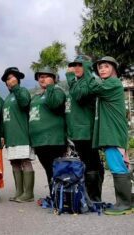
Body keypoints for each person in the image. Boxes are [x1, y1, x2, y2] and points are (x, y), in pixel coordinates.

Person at [85, 56, 131, 215]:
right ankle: (127, 200)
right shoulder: (107, 84)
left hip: (113, 132)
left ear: (114, 69)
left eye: (105, 66)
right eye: (99, 67)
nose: (101, 69)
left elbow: (92, 87)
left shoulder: (113, 83)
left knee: (117, 166)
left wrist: (87, 70)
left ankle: (125, 204)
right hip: (111, 132)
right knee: (119, 165)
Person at [65, 55, 104, 202]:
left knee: (92, 163)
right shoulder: (76, 83)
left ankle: (94, 197)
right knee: (86, 163)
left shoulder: (90, 81)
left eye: (80, 65)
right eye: (74, 65)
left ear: (87, 66)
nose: (76, 68)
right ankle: (86, 195)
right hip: (76, 133)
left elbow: (79, 95)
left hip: (86, 132)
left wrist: (69, 76)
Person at [28, 67, 66, 195]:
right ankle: (54, 196)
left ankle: (60, 196)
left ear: (54, 79)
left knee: (56, 169)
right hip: (39, 141)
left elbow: (54, 104)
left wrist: (50, 88)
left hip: (53, 139)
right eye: (40, 77)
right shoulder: (36, 96)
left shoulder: (58, 91)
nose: (42, 79)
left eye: (46, 76)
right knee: (48, 169)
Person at [1, 67, 34, 202]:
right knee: (14, 163)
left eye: (12, 78)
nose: (10, 81)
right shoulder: (7, 98)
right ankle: (19, 191)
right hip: (11, 136)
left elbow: (25, 103)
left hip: (22, 135)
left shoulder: (22, 91)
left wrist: (16, 88)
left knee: (25, 162)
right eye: (8, 79)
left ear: (18, 79)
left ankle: (29, 194)